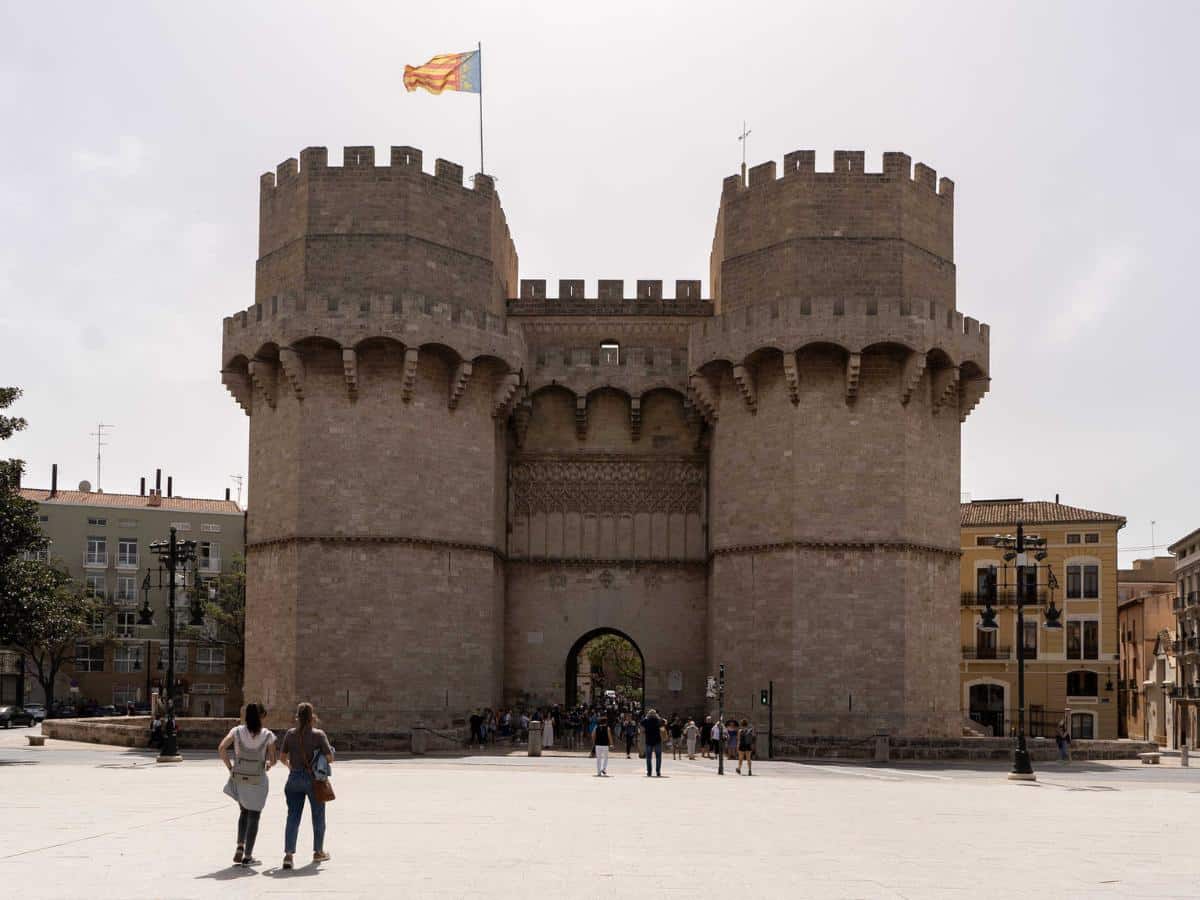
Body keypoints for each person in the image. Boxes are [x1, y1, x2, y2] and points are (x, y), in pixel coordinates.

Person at [217, 702, 277, 867]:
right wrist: (268, 765)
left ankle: (240, 846)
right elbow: (273, 759)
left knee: (243, 812)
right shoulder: (267, 735)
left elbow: (221, 748)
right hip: (258, 779)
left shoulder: (236, 731)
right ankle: (248, 855)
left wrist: (230, 768)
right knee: (254, 815)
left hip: (240, 778)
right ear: (262, 716)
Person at [278, 702, 335, 870]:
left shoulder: (290, 734)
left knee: (293, 816)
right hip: (313, 780)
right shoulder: (319, 735)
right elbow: (330, 758)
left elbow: (282, 757)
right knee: (318, 816)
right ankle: (318, 851)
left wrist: (292, 767)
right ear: (312, 717)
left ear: (297, 717)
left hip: (294, 778)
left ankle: (288, 855)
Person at [642, 708, 665, 777]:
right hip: (657, 740)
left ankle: (649, 772)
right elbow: (664, 723)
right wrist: (658, 716)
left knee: (648, 758)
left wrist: (646, 716)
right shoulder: (658, 720)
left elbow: (641, 722)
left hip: (648, 741)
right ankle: (658, 772)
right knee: (658, 757)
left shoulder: (646, 721)